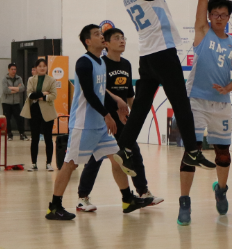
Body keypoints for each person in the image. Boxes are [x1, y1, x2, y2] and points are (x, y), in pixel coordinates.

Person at [106, 0, 215, 174]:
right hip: (163, 53)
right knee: (181, 103)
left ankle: (124, 148)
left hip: (146, 57)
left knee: (141, 107)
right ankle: (192, 150)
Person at [46, 25, 152, 220]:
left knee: (116, 158)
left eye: (101, 33)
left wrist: (116, 104)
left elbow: (102, 92)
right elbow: (90, 94)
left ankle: (127, 199)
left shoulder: (101, 63)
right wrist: (107, 115)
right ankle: (54, 206)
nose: (101, 36)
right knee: (70, 164)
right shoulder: (84, 62)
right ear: (88, 41)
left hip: (99, 126)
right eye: (97, 34)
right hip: (83, 124)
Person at [177, 0, 232, 225]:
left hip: (221, 104)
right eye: (214, 14)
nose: (218, 17)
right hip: (196, 99)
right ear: (209, 16)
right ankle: (184, 201)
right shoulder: (203, 32)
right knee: (191, 151)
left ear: (228, 17)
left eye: (223, 14)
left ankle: (222, 189)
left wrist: (229, 88)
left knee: (223, 154)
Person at [76, 29, 162, 210]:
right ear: (106, 44)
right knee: (95, 158)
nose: (122, 41)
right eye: (117, 38)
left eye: (123, 38)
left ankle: (143, 192)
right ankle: (82, 197)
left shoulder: (126, 64)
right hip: (104, 117)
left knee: (133, 153)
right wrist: (115, 101)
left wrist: (136, 116)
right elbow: (98, 89)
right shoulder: (101, 63)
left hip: (122, 120)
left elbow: (129, 93)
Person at [22, 58, 57, 172]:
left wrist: (42, 97)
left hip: (48, 111)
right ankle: (34, 163)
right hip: (35, 110)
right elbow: (30, 94)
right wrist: (43, 93)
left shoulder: (51, 80)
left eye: (44, 66)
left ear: (47, 67)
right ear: (36, 68)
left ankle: (49, 163)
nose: (42, 68)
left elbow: (53, 95)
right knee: (35, 137)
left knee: (48, 138)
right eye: (40, 66)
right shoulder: (31, 79)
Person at [1, 63, 26, 141]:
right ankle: (9, 135)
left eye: (15, 69)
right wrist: (16, 89)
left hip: (16, 102)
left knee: (19, 119)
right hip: (6, 102)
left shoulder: (19, 78)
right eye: (12, 69)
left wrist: (11, 88)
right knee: (7, 119)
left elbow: (22, 88)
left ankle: (22, 134)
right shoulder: (5, 79)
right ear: (8, 70)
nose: (13, 71)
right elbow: (5, 90)